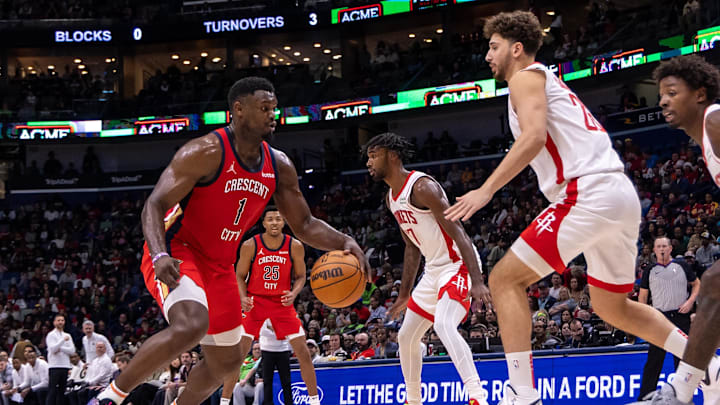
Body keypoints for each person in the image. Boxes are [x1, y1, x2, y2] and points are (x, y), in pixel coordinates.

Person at [444, 11, 697, 404]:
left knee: (505, 279)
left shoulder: (525, 78)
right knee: (612, 306)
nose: (487, 56)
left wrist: (486, 190)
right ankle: (706, 366)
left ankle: (522, 394)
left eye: (493, 47)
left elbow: (533, 137)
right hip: (619, 194)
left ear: (516, 48)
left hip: (587, 192)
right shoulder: (546, 80)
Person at [94, 77, 367, 405]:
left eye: (274, 108)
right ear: (238, 110)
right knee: (191, 326)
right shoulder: (206, 151)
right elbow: (154, 204)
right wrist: (158, 254)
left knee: (227, 363)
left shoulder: (278, 165)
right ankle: (110, 397)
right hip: (180, 251)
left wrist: (344, 241)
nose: (272, 115)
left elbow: (305, 224)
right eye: (264, 108)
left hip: (220, 264)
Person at [364, 132, 492, 405]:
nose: (369, 162)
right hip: (434, 270)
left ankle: (477, 396)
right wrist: (404, 294)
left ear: (393, 155)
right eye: (368, 157)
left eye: (374, 155)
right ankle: (413, 401)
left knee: (444, 324)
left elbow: (460, 234)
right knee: (406, 336)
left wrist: (478, 281)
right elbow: (411, 248)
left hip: (458, 265)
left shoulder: (422, 187)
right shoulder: (391, 197)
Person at [632, 54, 720, 404]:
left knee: (713, 282)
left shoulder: (714, 119)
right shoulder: (704, 138)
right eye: (660, 96)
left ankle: (682, 390)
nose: (664, 101)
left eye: (671, 92)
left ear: (700, 94)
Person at [225, 207, 320, 405]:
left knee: (302, 351)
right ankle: (225, 402)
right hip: (256, 302)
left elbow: (301, 276)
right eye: (270, 219)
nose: (275, 222)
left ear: (284, 222)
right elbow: (239, 276)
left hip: (281, 303)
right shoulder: (251, 245)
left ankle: (314, 401)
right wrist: (242, 297)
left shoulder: (294, 245)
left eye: (278, 218)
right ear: (264, 223)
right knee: (239, 354)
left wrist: (293, 293)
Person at [637, 237, 700, 399]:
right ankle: (645, 397)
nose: (662, 249)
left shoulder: (682, 265)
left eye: (664, 245)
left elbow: (697, 284)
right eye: (658, 246)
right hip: (659, 319)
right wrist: (646, 316)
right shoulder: (650, 270)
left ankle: (684, 397)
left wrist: (690, 302)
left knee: (682, 360)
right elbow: (642, 296)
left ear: (671, 248)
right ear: (654, 250)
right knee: (654, 360)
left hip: (680, 316)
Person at [46, 314, 75, 405]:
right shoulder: (51, 335)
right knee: (52, 391)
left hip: (65, 365)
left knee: (62, 391)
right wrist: (62, 341)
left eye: (62, 320)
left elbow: (72, 351)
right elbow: (53, 349)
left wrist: (61, 348)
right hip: (54, 366)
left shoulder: (68, 335)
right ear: (54, 322)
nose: (60, 322)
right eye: (58, 320)